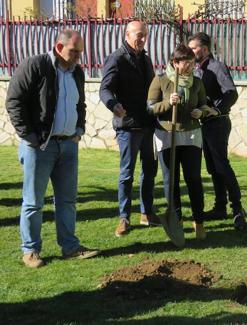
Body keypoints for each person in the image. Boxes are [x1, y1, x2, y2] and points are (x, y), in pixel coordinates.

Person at [5, 29, 99, 268]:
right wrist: (30, 136)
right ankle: (31, 251)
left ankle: (70, 247)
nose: (79, 56)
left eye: (80, 52)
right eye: (74, 51)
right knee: (34, 202)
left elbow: (80, 104)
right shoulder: (35, 65)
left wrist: (79, 130)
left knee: (67, 201)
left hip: (69, 146)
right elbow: (14, 101)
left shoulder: (76, 72)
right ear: (59, 48)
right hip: (40, 147)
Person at [147, 44, 217, 240]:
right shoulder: (161, 80)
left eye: (192, 62)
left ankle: (199, 220)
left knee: (193, 179)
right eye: (186, 62)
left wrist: (200, 112)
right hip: (167, 135)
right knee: (171, 181)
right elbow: (150, 108)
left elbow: (203, 104)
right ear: (175, 63)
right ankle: (176, 220)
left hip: (191, 134)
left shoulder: (196, 83)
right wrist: (168, 103)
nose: (190, 66)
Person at [100, 21, 159, 237]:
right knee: (127, 173)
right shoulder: (117, 58)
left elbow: (153, 88)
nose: (142, 38)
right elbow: (105, 89)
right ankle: (124, 217)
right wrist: (113, 105)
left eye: (144, 35)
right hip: (128, 126)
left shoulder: (145, 58)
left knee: (150, 171)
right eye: (138, 35)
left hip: (148, 124)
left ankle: (147, 213)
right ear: (127, 34)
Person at [188, 32, 246, 230]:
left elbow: (231, 92)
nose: (190, 51)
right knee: (212, 168)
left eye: (193, 48)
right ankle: (220, 207)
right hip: (205, 124)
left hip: (218, 123)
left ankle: (237, 209)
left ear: (204, 49)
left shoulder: (217, 66)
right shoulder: (198, 69)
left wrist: (217, 110)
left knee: (222, 166)